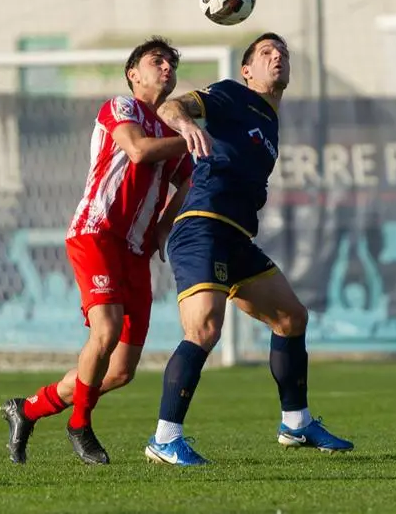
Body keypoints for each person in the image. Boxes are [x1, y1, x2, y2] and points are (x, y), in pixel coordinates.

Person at [143, 33, 355, 466]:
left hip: (236, 237)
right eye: (265, 53)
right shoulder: (231, 95)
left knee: (292, 318)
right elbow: (172, 107)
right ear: (246, 70)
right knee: (203, 329)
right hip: (202, 229)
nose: (277, 58)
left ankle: (295, 423)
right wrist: (184, 124)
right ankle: (165, 438)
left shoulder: (271, 120)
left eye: (283, 54)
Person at [0, 37, 193, 466]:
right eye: (156, 61)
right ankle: (79, 426)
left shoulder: (173, 132)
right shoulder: (121, 107)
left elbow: (191, 181)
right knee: (103, 332)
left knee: (120, 370)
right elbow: (139, 151)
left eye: (171, 63)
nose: (166, 68)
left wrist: (163, 225)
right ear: (133, 74)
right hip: (96, 234)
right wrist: (195, 138)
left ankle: (26, 409)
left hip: (136, 252)